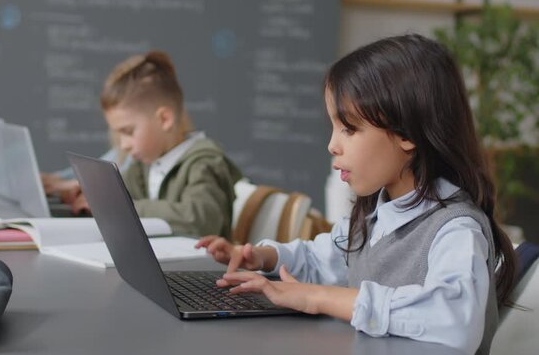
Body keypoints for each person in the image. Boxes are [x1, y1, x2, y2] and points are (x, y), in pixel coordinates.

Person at [196, 34, 517, 355]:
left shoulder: (456, 228)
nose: (332, 145)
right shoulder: (373, 212)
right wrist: (265, 258)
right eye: (334, 129)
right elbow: (323, 261)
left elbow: (455, 322)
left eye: (348, 129)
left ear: (406, 134)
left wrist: (317, 297)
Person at [66, 50, 242, 239]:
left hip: (204, 266)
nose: (124, 145)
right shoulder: (145, 165)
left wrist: (123, 207)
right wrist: (95, 195)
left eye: (128, 132)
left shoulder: (205, 163)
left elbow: (200, 221)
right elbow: (118, 194)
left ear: (164, 119)